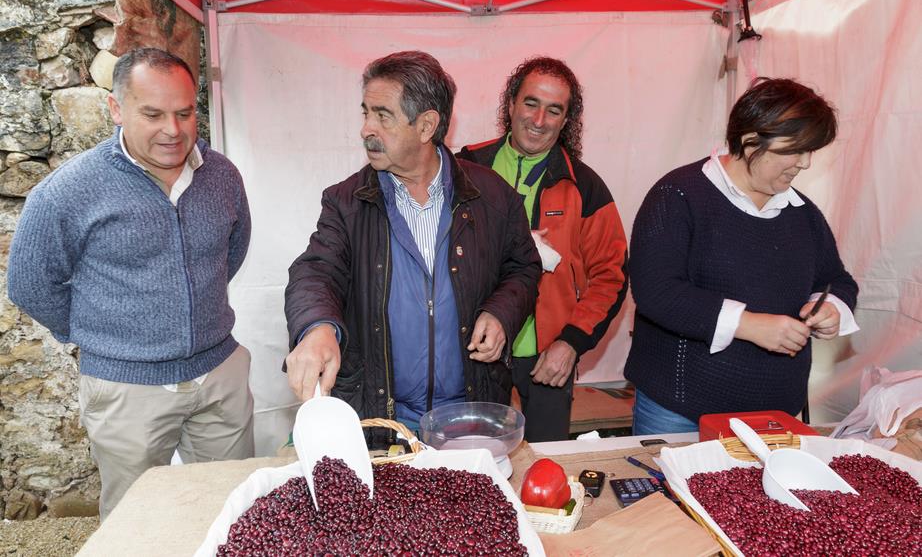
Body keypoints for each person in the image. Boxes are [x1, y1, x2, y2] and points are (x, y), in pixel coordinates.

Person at [7, 48, 254, 519]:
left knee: (232, 511)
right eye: (153, 114)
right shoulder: (69, 190)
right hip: (126, 388)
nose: (173, 130)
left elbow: (232, 250)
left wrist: (196, 308)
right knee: (134, 523)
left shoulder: (221, 174)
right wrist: (105, 336)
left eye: (185, 113)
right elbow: (30, 284)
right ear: (116, 110)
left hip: (220, 375)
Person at [284, 51, 541, 439]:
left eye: (382, 115)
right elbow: (316, 272)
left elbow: (523, 268)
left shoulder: (492, 197)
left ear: (426, 126)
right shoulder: (346, 202)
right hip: (384, 421)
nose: (366, 128)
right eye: (365, 112)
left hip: (467, 415)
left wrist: (502, 312)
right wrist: (318, 328)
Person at [625, 77, 859, 435]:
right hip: (681, 411)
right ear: (751, 142)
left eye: (810, 151)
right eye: (795, 150)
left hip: (775, 415)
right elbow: (656, 290)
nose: (805, 163)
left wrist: (829, 308)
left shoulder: (802, 212)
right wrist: (748, 325)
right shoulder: (678, 195)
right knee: (671, 493)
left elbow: (836, 280)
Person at [458, 57, 628, 442]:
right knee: (475, 463)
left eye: (554, 110)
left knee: (548, 465)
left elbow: (611, 275)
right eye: (531, 103)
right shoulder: (464, 167)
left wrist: (571, 343)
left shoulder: (584, 185)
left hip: (548, 355)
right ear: (511, 105)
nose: (539, 120)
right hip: (474, 350)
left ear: (566, 120)